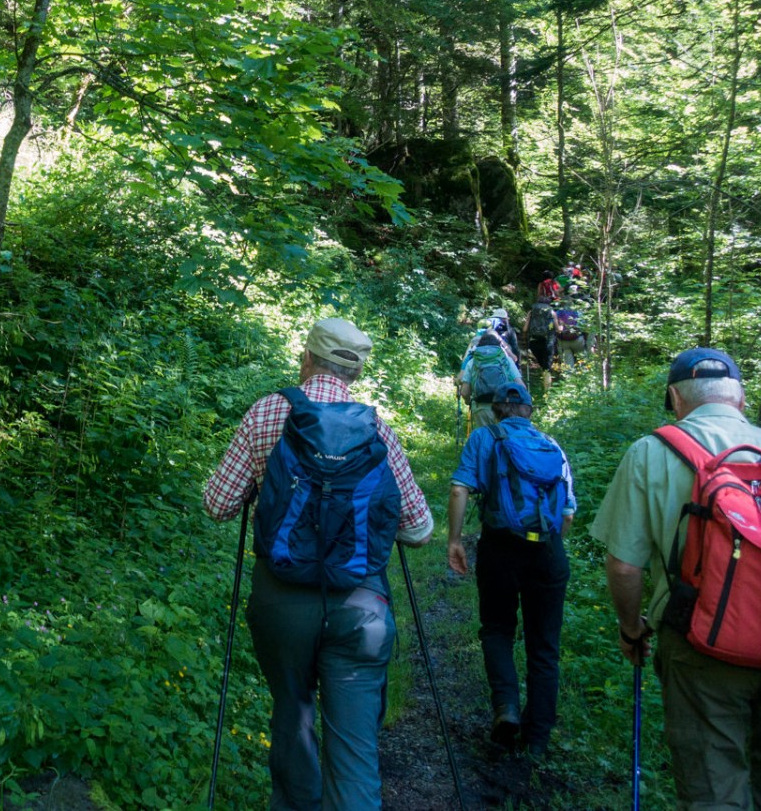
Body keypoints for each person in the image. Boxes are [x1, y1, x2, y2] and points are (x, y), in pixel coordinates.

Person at [591, 347, 761, 811]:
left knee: (713, 793)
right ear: (740, 396)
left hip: (700, 646)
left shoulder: (651, 453)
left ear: (674, 398)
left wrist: (631, 628)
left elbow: (624, 567)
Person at [204, 319, 435, 811]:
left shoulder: (269, 412)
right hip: (359, 607)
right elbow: (418, 530)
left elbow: (218, 504)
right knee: (354, 748)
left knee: (293, 717)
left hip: (281, 603)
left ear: (306, 358)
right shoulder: (376, 429)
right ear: (354, 372)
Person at [446, 382, 575, 756]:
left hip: (501, 546)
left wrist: (455, 540)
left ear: (498, 409)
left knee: (498, 628)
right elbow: (566, 514)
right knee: (544, 645)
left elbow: (459, 489)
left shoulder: (484, 438)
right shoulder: (552, 446)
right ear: (530, 411)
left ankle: (506, 709)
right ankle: (537, 739)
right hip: (548, 551)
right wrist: (549, 545)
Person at [458, 330, 522, 432]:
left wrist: (468, 401)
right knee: (505, 439)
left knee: (486, 439)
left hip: (481, 407)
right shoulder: (506, 360)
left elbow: (464, 391)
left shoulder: (473, 361)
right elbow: (521, 387)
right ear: (498, 345)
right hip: (505, 406)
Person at [523, 301, 557, 394]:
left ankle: (544, 384)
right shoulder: (551, 312)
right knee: (547, 368)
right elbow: (558, 329)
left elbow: (525, 329)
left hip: (534, 342)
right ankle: (547, 392)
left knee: (543, 366)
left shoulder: (532, 312)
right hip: (547, 342)